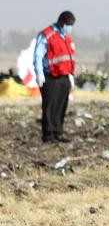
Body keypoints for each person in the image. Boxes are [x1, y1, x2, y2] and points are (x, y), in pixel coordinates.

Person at [33, 11, 76, 143]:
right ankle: (48, 135)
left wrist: (70, 75)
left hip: (64, 77)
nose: (70, 28)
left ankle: (58, 133)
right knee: (50, 107)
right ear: (62, 23)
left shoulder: (66, 37)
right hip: (50, 77)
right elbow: (38, 55)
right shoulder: (47, 35)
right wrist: (39, 73)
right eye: (69, 25)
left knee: (60, 107)